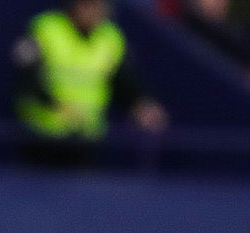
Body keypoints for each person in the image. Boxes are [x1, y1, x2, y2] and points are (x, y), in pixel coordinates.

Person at [13, 0, 165, 161]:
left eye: (99, 6)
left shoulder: (111, 37)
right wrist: (54, 103)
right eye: (88, 5)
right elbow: (26, 79)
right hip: (40, 136)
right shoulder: (46, 28)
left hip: (87, 137)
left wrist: (140, 104)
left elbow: (123, 80)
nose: (94, 11)